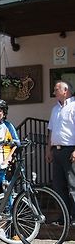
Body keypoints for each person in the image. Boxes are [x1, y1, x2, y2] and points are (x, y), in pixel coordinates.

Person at [46, 81, 75, 222]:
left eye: (56, 89)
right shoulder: (55, 109)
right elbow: (51, 131)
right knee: (58, 186)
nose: (54, 91)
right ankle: (64, 218)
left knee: (73, 185)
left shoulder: (74, 106)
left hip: (70, 151)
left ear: (65, 90)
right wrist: (48, 150)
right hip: (56, 152)